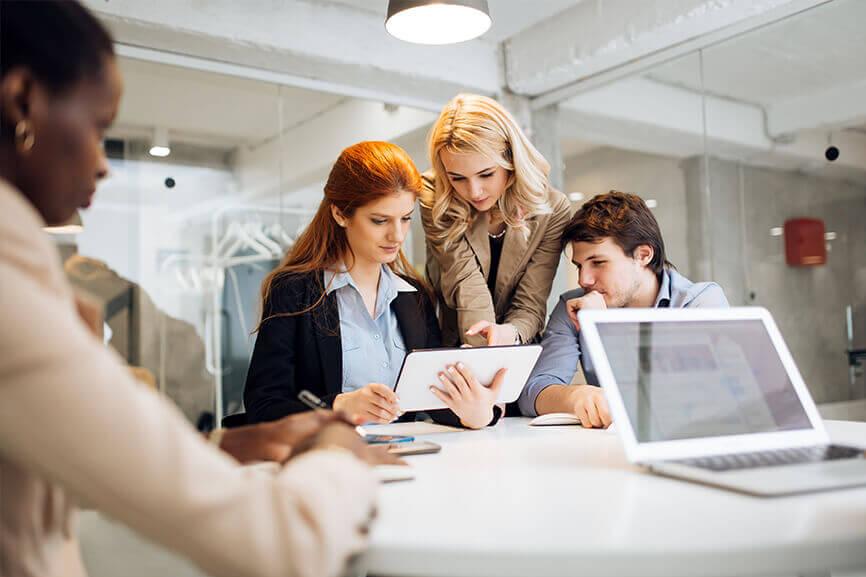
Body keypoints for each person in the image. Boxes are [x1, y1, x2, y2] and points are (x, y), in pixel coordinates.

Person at [0, 3, 396, 577]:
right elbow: (285, 546)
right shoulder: (12, 297)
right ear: (22, 102)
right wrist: (338, 453)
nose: (105, 165)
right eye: (99, 127)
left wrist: (223, 450)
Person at [244, 141, 506, 429]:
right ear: (340, 214)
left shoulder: (414, 296)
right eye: (380, 220)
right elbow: (264, 404)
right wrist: (339, 405)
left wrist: (477, 413)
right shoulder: (295, 291)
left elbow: (432, 399)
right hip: (332, 460)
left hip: (410, 459)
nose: (397, 235)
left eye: (405, 219)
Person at [518, 191, 729, 427]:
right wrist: (576, 396)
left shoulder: (700, 303)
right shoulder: (574, 305)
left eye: (598, 263)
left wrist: (604, 327)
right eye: (579, 266)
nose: (583, 280)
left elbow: (713, 395)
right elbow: (533, 392)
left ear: (643, 255)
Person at [421, 94, 572, 347]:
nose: (474, 191)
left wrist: (507, 336)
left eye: (486, 174)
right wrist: (482, 354)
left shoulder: (552, 210)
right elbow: (466, 283)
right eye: (458, 178)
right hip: (457, 343)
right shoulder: (435, 194)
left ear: (511, 159)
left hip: (518, 344)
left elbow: (531, 302)